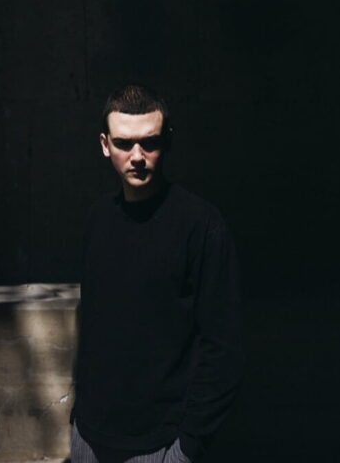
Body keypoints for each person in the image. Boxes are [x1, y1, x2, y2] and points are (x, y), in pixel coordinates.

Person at [70, 85, 244, 462]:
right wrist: (78, 418)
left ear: (167, 140)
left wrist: (188, 446)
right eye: (124, 143)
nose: (137, 157)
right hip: (89, 436)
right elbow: (95, 325)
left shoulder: (201, 225)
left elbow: (224, 346)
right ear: (104, 145)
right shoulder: (97, 219)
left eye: (149, 143)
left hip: (161, 444)